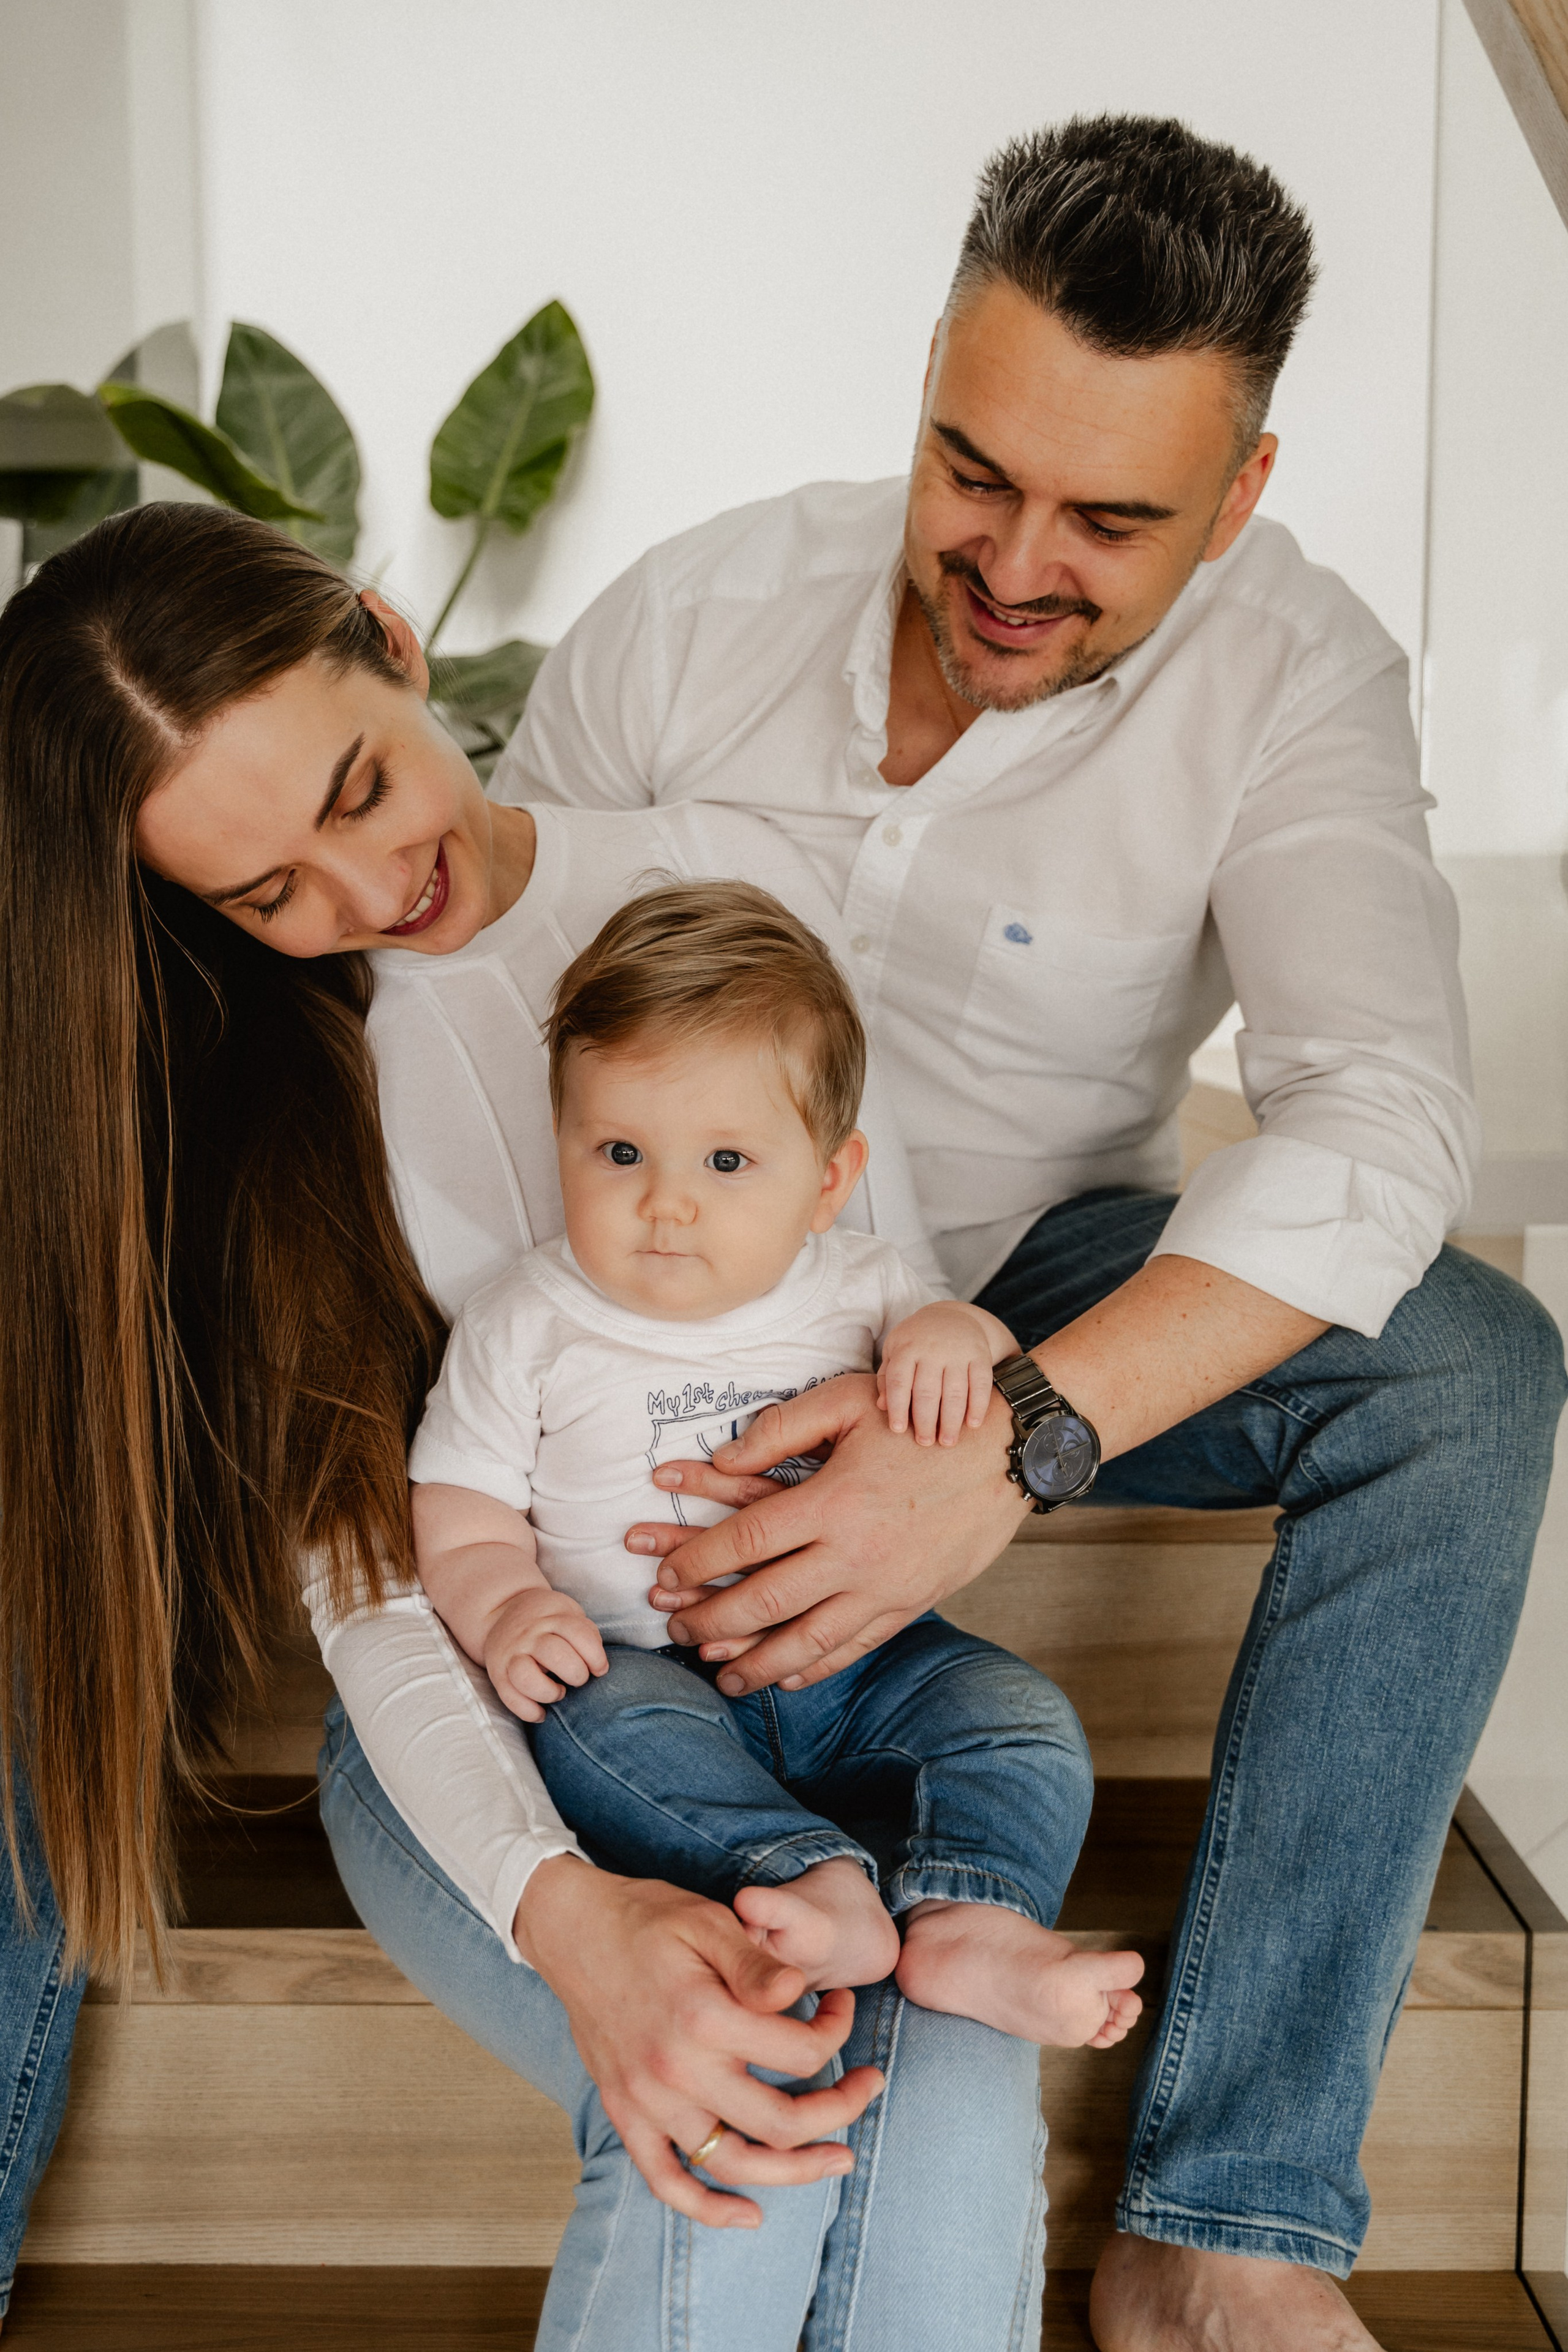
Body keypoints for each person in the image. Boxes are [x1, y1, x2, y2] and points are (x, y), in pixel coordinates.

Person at [493, 114, 1568, 2349]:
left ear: (1244, 493)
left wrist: (1016, 1444)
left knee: (1475, 1370)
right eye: (975, 471)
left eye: (1112, 519)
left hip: (1015, 1299)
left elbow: (1379, 1109)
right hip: (636, 1304)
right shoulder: (685, 615)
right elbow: (491, 1050)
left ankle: (1224, 2232)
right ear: (924, 385)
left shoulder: (1298, 680)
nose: (1011, 559)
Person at [0, 500, 1058, 2350]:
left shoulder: (732, 879)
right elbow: (381, 1597)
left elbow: (893, 1290)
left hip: (827, 1680)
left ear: (394, 639)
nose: (353, 900)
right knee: (742, 2111)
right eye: (263, 897)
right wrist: (571, 1920)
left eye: (352, 791)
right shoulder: (259, 1113)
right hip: (502, 1728)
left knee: (957, 2087)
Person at [411, 878, 1145, 2048]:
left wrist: (961, 1336)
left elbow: (978, 1360)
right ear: (560, 1142)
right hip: (646, 1668)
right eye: (619, 1151)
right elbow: (458, 1504)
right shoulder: (526, 1321)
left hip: (872, 1661)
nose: (666, 1205)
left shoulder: (867, 1283)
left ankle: (970, 1916)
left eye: (727, 1162)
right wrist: (504, 1604)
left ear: (829, 1182)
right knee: (594, 1738)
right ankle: (813, 1881)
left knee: (1021, 1719)